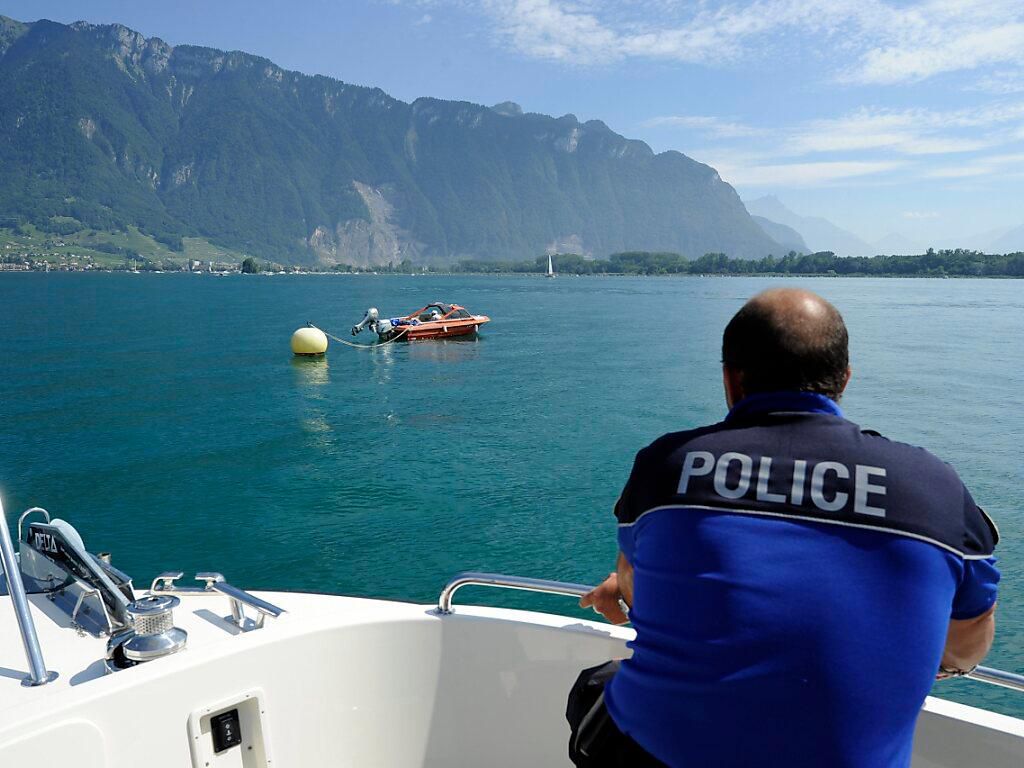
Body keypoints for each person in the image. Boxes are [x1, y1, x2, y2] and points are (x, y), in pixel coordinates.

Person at [568, 288, 999, 768]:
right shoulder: (934, 486)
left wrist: (620, 587)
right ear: (845, 379)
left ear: (731, 379)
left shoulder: (665, 467)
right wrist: (935, 659)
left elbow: (637, 585)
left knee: (595, 688)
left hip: (663, 754)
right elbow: (971, 632)